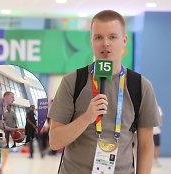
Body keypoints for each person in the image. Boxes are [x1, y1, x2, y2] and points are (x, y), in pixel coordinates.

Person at [48, 10, 160, 174]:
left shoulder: (141, 86)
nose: (105, 43)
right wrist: (86, 118)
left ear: (124, 40)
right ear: (91, 41)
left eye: (112, 37)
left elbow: (145, 144)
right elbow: (55, 142)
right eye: (98, 37)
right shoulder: (72, 82)